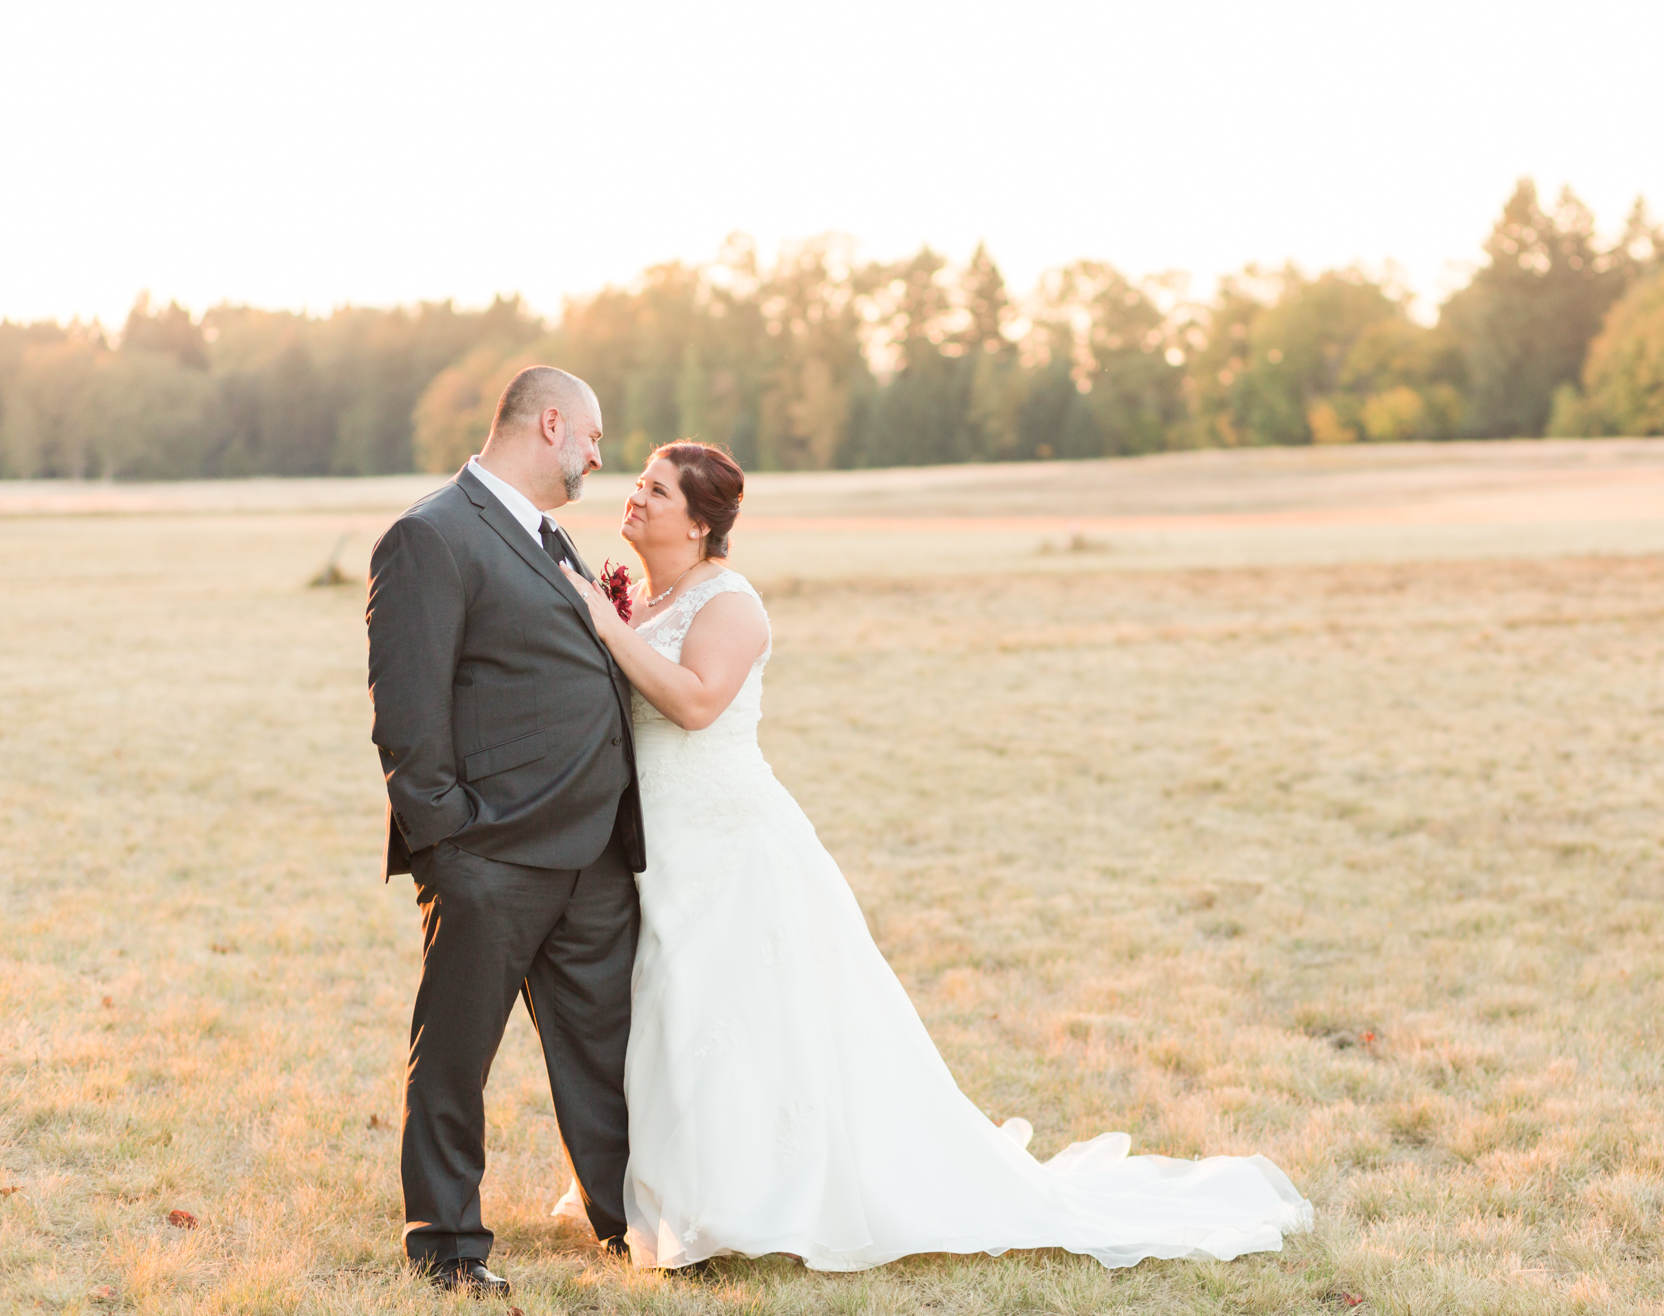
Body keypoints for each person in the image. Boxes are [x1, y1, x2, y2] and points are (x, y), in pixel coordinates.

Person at [556, 438, 1313, 1271]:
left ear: (700, 524)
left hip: (730, 841)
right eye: (637, 484)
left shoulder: (730, 604)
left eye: (657, 492)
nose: (635, 498)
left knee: (728, 1013)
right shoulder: (652, 603)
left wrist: (602, 623)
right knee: (677, 1012)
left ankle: (755, 1206)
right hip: (663, 845)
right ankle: (694, 1197)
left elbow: (697, 704)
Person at [365, 366, 644, 1298]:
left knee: (608, 1049)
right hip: (492, 856)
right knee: (454, 1054)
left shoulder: (549, 532)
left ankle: (625, 1224)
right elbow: (407, 713)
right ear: (552, 423)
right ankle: (447, 1244)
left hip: (592, 853)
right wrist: (453, 844)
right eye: (594, 437)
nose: (602, 456)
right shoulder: (431, 534)